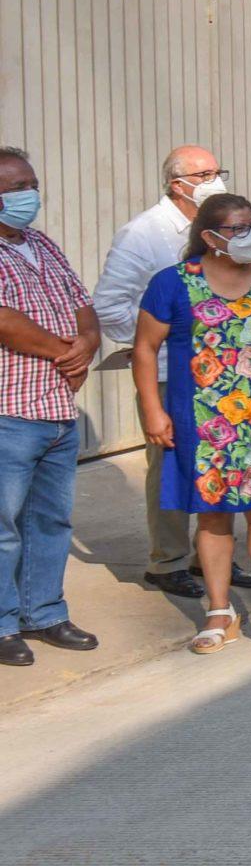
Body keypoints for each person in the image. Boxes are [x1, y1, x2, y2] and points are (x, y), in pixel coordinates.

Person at [133, 193, 251, 654]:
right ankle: (220, 612)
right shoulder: (174, 282)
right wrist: (154, 410)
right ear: (209, 237)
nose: (249, 236)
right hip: (202, 423)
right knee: (212, 514)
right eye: (238, 229)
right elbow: (144, 348)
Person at [92, 144, 243, 598]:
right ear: (178, 185)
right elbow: (109, 305)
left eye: (218, 171)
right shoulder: (144, 234)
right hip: (168, 373)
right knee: (172, 465)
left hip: (222, 370)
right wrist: (158, 338)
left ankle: (213, 553)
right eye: (204, 174)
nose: (216, 181)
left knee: (223, 459)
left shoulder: (223, 227)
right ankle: (168, 561)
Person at [0, 146, 100, 669]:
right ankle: (2, 623)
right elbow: (5, 322)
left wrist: (88, 342)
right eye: (16, 188)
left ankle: (43, 612)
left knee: (51, 522)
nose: (29, 195)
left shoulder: (42, 244)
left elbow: (83, 305)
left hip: (57, 410)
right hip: (10, 411)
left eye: (31, 184)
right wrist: (68, 353)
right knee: (3, 527)